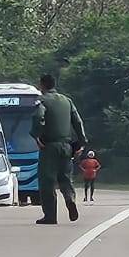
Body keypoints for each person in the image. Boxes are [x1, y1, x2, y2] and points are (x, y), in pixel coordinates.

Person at [30, 74, 86, 225]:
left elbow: (38, 117)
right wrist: (81, 142)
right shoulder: (67, 101)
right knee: (65, 178)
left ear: (42, 85)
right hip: (66, 146)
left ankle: (50, 215)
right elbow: (77, 121)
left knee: (47, 180)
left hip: (49, 146)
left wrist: (36, 136)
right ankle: (70, 199)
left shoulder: (42, 100)